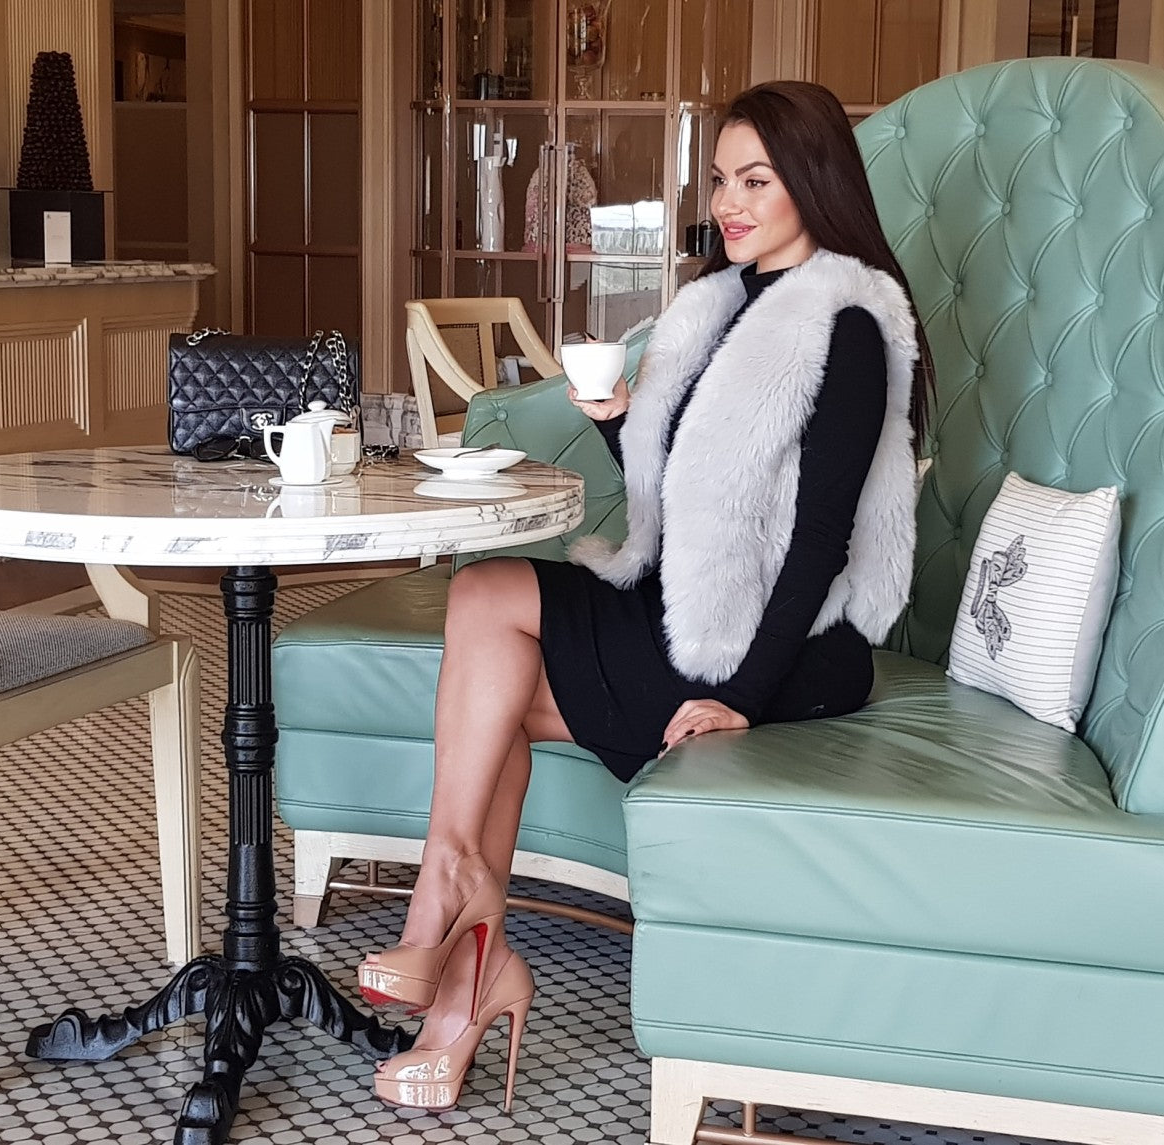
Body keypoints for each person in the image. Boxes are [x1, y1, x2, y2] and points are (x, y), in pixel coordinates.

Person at [360, 80, 936, 1113]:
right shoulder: (719, 301)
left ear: (812, 180)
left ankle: (453, 934)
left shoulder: (842, 322)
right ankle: (458, 937)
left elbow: (815, 545)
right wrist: (622, 417)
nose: (728, 200)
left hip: (787, 643)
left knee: (496, 667)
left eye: (755, 179)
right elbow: (684, 497)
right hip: (680, 607)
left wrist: (743, 697)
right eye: (718, 179)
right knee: (486, 598)